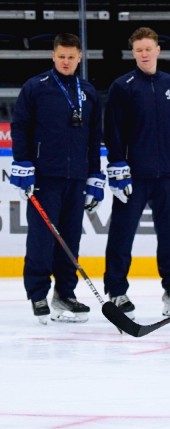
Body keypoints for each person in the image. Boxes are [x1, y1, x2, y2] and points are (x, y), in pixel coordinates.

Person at [103, 27, 170, 319]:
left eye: (148, 49)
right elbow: (113, 130)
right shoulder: (123, 86)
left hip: (169, 175)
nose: (144, 54)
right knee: (121, 236)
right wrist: (118, 165)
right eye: (138, 50)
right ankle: (117, 292)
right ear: (133, 53)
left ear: (158, 49)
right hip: (134, 176)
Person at [9, 33, 104, 325]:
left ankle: (65, 293)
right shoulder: (36, 88)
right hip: (45, 176)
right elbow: (20, 126)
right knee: (42, 238)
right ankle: (38, 292)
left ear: (80, 58)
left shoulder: (87, 92)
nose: (66, 61)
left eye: (71, 57)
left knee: (70, 239)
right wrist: (23, 162)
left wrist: (95, 176)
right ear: (53, 56)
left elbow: (93, 138)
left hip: (76, 178)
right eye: (61, 56)